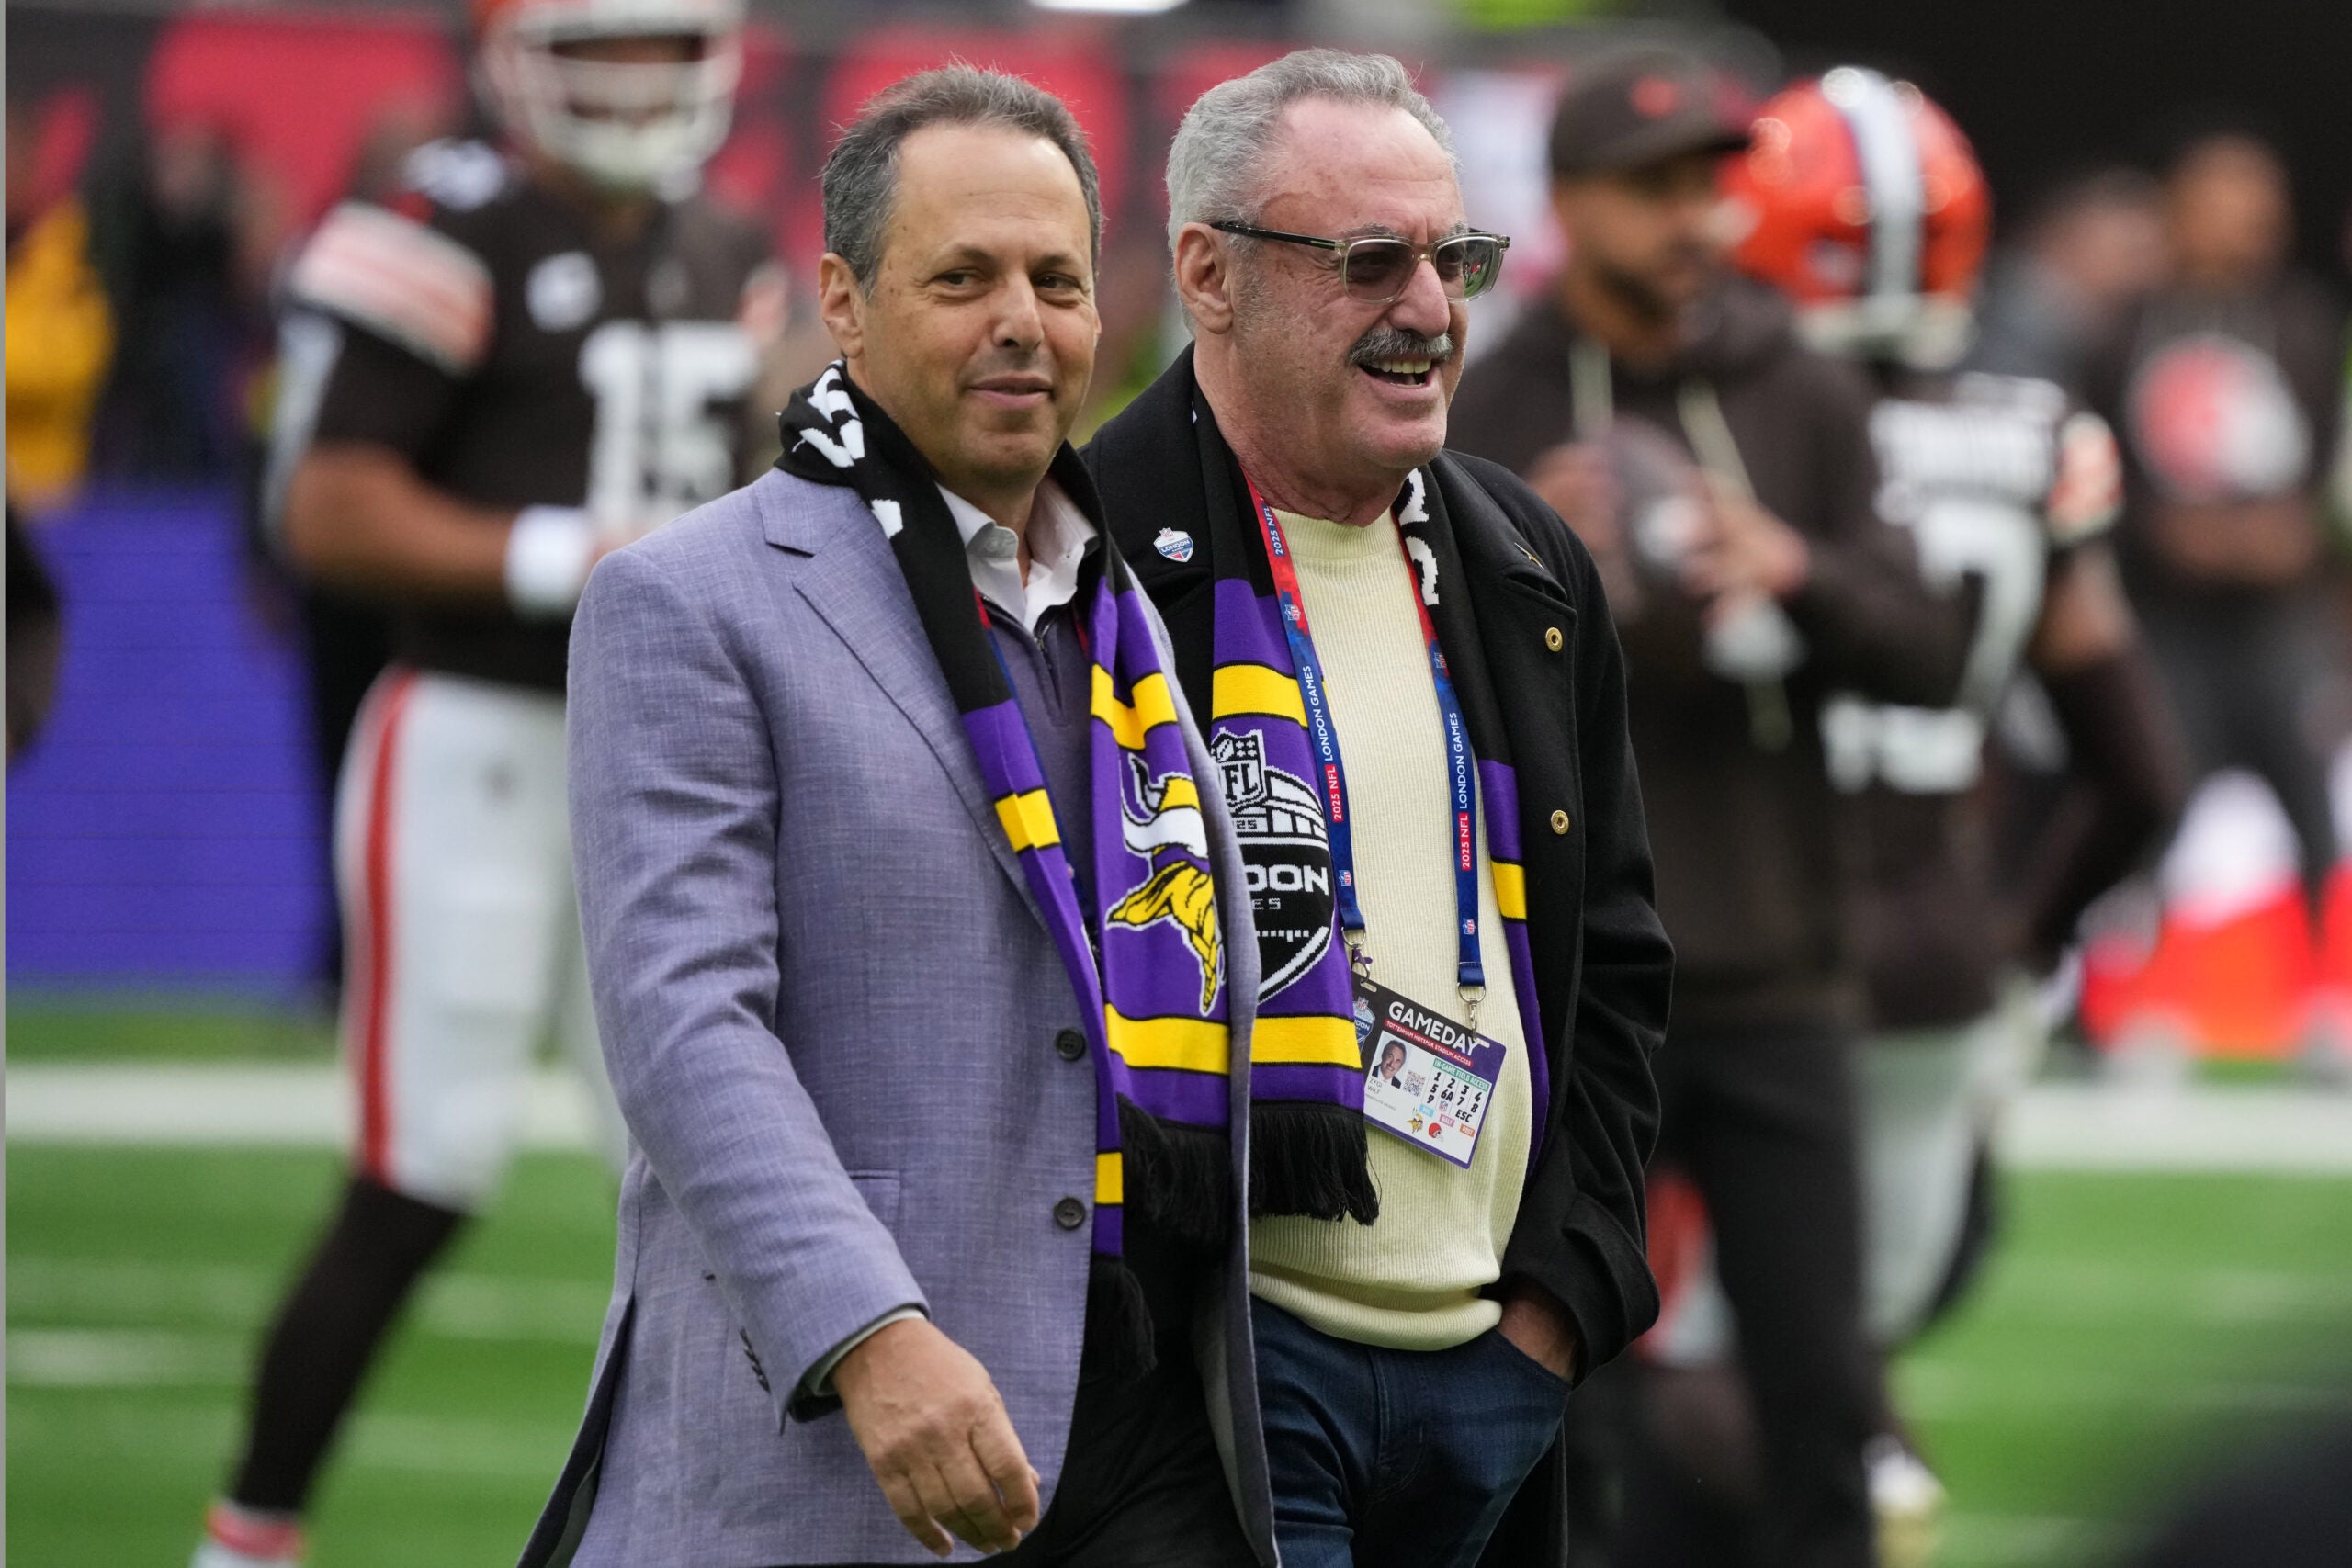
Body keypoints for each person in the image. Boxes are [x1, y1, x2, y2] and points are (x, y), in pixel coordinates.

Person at [520, 66, 1273, 1568]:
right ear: (844, 306)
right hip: (864, 1424)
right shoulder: (688, 599)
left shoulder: (1135, 606)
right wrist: (869, 1329)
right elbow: (684, 1026)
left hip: (1155, 1421)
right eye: (963, 277)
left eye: (1056, 279)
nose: (1023, 320)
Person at [195, 1, 771, 1562]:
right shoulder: (442, 231)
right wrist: (561, 555)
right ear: (522, 58)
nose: (637, 81)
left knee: (713, 1174)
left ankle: (723, 1523)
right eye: (604, 46)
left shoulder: (728, 245)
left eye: (661, 45)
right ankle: (246, 1538)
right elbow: (327, 507)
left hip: (665, 761)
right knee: (422, 1172)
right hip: (474, 739)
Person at [1085, 49, 1675, 1568]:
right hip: (1221, 1363)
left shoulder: (1521, 558)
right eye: (1366, 261)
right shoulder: (1090, 559)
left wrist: (1562, 1304)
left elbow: (1615, 964)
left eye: (1452, 256)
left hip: (1493, 1358)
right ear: (1207, 275)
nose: (1428, 308)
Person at [1626, 70, 2188, 1568]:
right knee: (1831, 1363)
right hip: (1930, 956)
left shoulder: (1714, 426)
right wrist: (2017, 942)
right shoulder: (2030, 434)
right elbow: (2140, 772)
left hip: (1720, 939)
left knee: (1661, 1359)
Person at [1448, 45, 1975, 1568]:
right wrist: (1530, 560)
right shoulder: (1498, 398)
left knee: (1822, 1397)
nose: (1692, 218)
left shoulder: (1803, 385)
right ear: (1567, 200)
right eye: (1652, 187)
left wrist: (1787, 566)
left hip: (1781, 974)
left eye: (1708, 184)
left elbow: (1931, 646)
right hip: (1570, 990)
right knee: (1561, 1404)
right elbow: (1419, 672)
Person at [2081, 123, 2350, 1063]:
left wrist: (2290, 535)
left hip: (2276, 619)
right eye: (2219, 206)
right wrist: (2160, 533)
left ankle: (2329, 1003)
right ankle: (2136, 1002)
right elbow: (2096, 467)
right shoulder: (2125, 329)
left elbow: (2321, 464)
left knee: (2311, 802)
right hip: (2165, 619)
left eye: (2258, 210)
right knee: (2157, 800)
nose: (2242, 229)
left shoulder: (2303, 323)